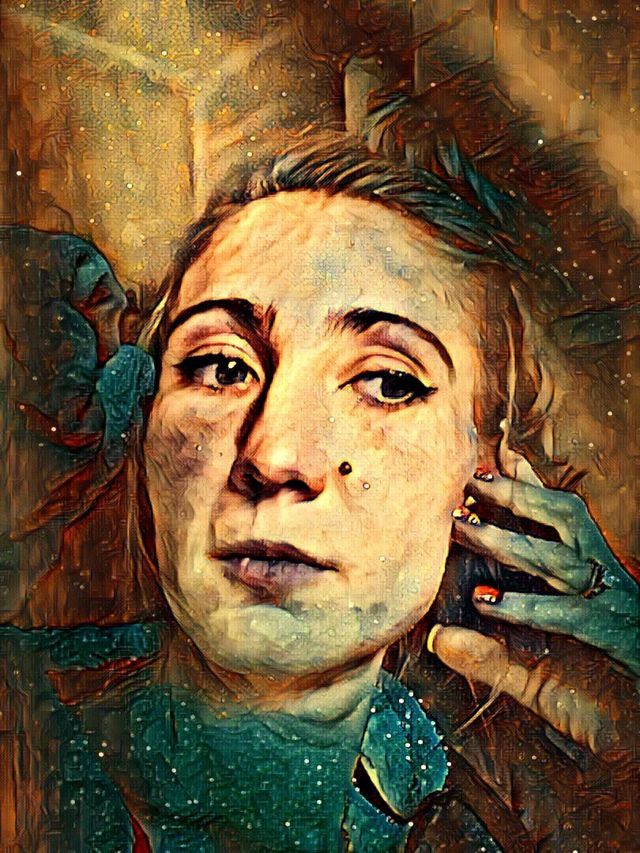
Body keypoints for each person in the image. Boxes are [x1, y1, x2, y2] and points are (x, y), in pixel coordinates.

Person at [1, 136, 638, 852]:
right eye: (220, 367)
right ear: (141, 422)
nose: (275, 457)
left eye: (388, 382)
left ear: (485, 472)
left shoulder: (488, 814)